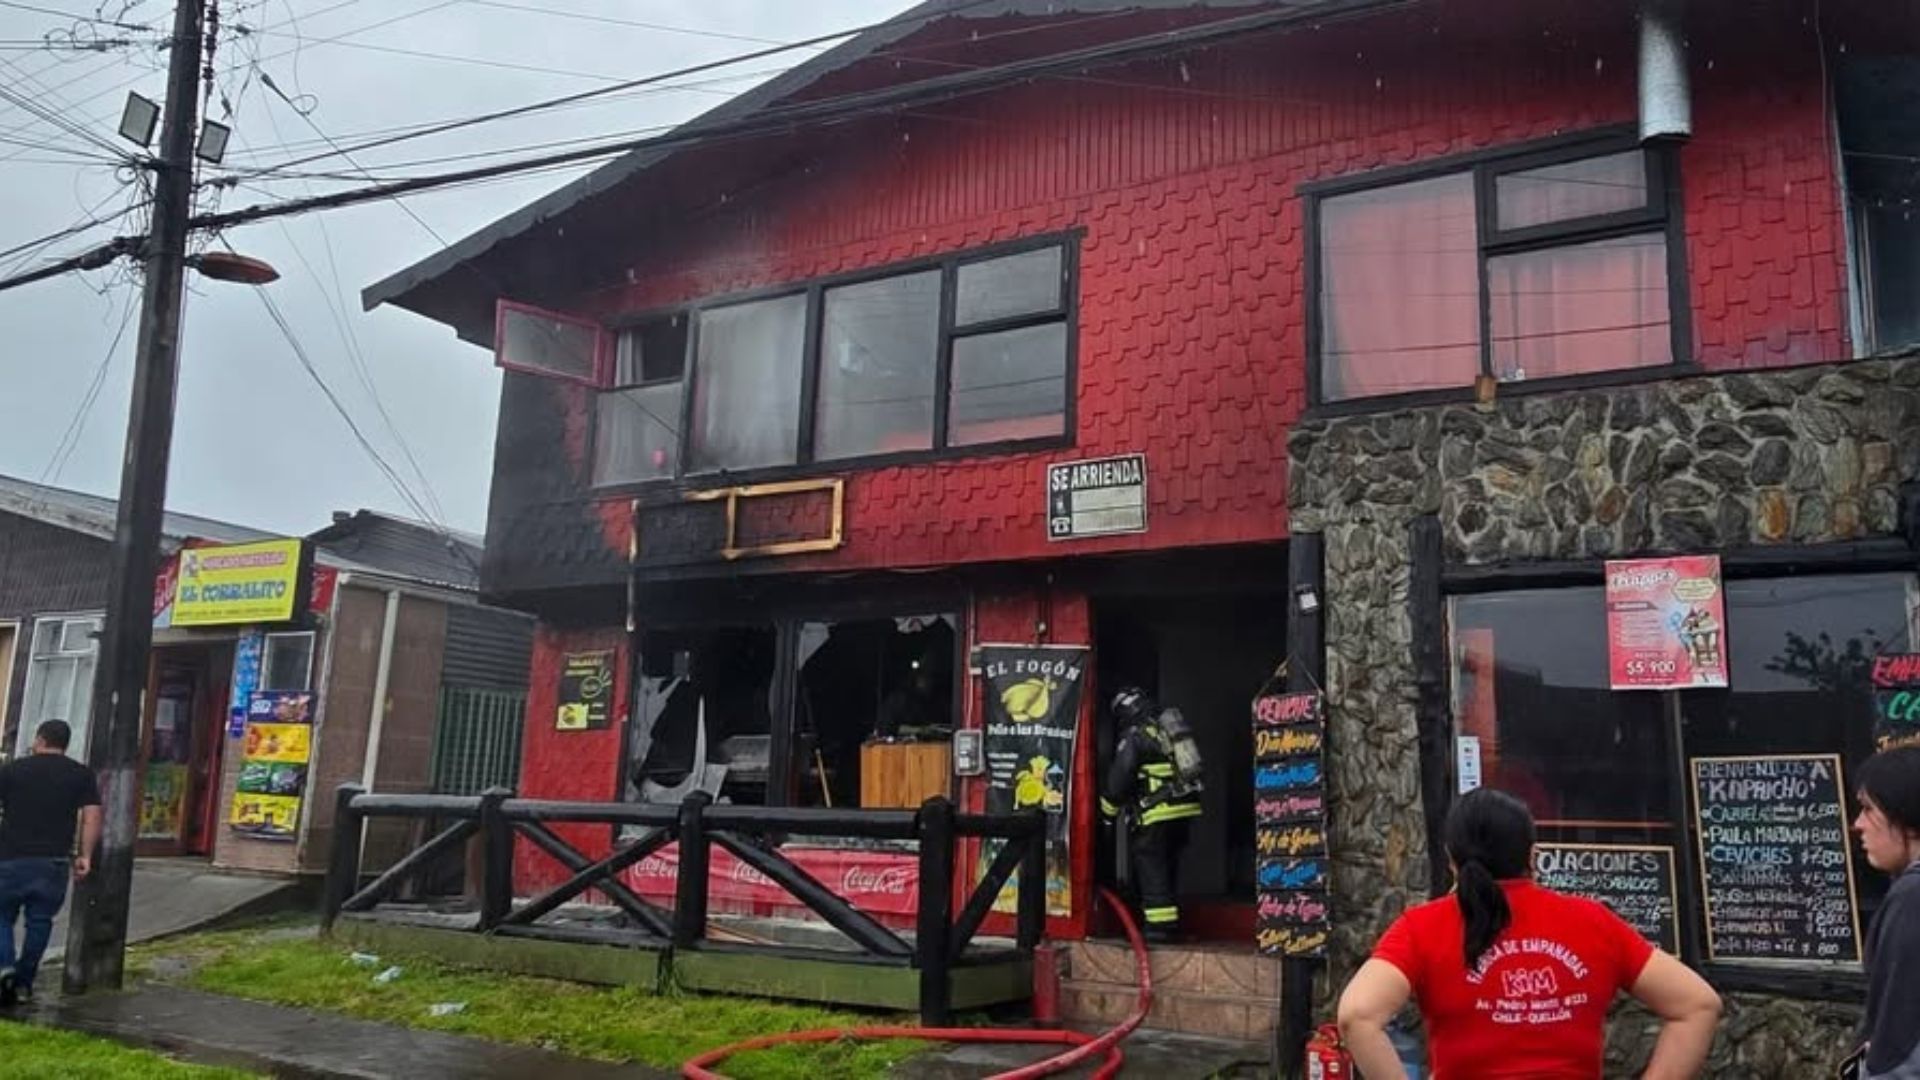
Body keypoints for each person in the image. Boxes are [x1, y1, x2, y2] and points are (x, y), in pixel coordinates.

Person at [1337, 789, 1720, 1079]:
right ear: (1533, 855)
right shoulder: (1593, 922)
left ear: (1451, 859)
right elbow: (1698, 1005)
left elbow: (1357, 1016)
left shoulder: (1421, 928)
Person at [0, 720, 103, 1006]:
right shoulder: (80, 774)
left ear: (40, 739)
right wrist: (85, 855)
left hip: (9, 857)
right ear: (65, 743)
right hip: (53, 862)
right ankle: (23, 982)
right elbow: (93, 816)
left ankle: (4, 967)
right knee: (40, 921)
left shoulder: (12, 770)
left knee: (1, 916)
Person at [1101, 687, 1204, 943]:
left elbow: (1119, 780)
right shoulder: (1166, 731)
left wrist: (1106, 813)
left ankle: (1159, 929)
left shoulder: (1135, 736)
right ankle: (1169, 920)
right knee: (1168, 863)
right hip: (1184, 809)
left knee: (1150, 864)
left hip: (1157, 811)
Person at [1851, 745, 1920, 1079]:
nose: (1858, 824)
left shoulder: (1912, 898)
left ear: (1905, 816)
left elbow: (1899, 1039)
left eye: (1868, 809)